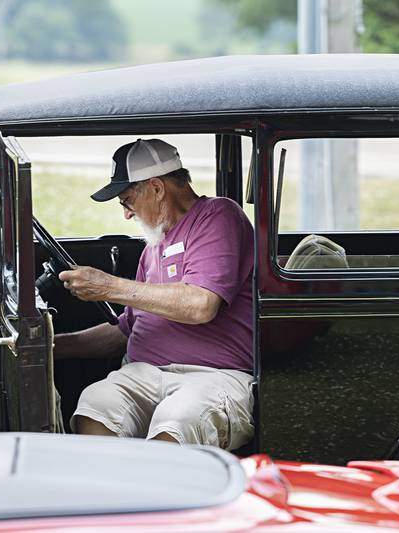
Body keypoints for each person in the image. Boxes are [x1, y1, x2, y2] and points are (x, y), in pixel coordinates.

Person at [56, 138, 254, 450]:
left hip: (213, 376)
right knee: (95, 406)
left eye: (127, 200)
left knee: (179, 419)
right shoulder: (154, 246)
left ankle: (159, 496)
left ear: (157, 188)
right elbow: (128, 329)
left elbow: (201, 304)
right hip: (144, 373)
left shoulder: (217, 217)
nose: (126, 213)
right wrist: (53, 347)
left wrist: (109, 286)